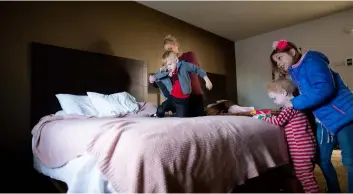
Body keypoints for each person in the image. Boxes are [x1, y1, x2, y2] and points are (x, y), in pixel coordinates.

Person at [270, 39, 353, 192]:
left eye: (280, 58)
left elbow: (324, 88)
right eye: (276, 61)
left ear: (292, 52)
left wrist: (293, 103)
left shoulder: (312, 60)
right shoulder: (296, 72)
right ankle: (334, 190)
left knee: (350, 161)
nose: (279, 63)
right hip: (324, 120)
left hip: (344, 114)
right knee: (322, 159)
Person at [255, 78, 319, 193]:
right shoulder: (298, 105)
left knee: (305, 177)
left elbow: (278, 121)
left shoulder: (289, 108)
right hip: (305, 148)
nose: (274, 101)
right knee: (304, 175)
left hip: (301, 149)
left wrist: (261, 117)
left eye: (274, 98)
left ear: (284, 93)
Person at [149, 51, 212, 118]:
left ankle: (176, 113)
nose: (169, 67)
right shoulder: (169, 69)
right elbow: (162, 73)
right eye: (167, 66)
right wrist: (154, 77)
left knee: (181, 118)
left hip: (182, 102)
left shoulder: (184, 65)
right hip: (172, 98)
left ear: (176, 60)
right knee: (160, 110)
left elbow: (197, 69)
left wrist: (207, 80)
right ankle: (157, 115)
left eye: (170, 64)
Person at [163, 35, 206, 117]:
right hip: (181, 99)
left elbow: (189, 73)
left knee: (199, 123)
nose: (169, 53)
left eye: (170, 49)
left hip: (194, 95)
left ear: (176, 45)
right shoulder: (170, 65)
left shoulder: (189, 55)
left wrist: (172, 68)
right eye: (166, 51)